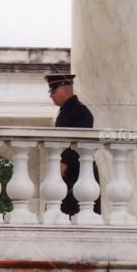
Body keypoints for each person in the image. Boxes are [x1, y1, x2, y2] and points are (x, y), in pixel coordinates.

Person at [45, 73, 98, 216]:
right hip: (71, 170)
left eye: (53, 91)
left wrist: (64, 162)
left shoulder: (79, 111)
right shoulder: (68, 110)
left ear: (66, 90)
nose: (51, 95)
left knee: (73, 211)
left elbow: (78, 142)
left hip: (78, 170)